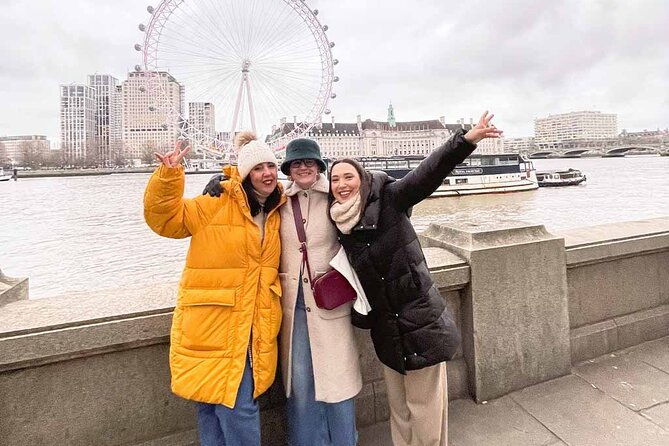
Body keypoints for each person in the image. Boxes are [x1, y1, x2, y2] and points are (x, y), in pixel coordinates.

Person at [328, 111, 502, 446]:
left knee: (424, 409)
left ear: (362, 179)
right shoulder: (339, 223)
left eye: (348, 177)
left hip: (420, 322)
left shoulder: (392, 200)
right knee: (399, 409)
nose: (341, 185)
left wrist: (465, 140)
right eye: (335, 180)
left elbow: (427, 174)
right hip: (386, 328)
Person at [203, 138, 362, 446]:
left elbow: (377, 202)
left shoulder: (336, 195)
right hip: (292, 307)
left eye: (310, 163)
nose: (303, 168)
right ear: (288, 169)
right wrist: (224, 181)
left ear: (319, 167)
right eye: (296, 163)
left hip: (330, 303)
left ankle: (344, 441)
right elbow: (246, 202)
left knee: (338, 380)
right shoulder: (277, 200)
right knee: (300, 383)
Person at [144, 132, 285, 446]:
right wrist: (168, 177)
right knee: (228, 408)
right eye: (259, 168)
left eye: (271, 166)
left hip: (251, 326)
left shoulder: (277, 209)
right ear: (246, 174)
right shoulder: (216, 200)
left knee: (219, 408)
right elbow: (166, 221)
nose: (268, 174)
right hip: (213, 322)